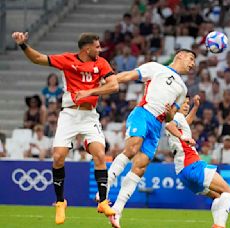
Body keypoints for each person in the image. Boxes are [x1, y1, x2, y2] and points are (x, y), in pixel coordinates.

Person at [75, 49, 196, 228]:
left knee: (140, 167)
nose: (193, 64)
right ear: (180, 56)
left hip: (157, 125)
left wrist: (171, 114)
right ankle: (105, 187)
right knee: (132, 149)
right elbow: (130, 75)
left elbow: (171, 117)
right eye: (191, 58)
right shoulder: (156, 68)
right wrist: (108, 81)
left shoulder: (183, 89)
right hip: (143, 113)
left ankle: (117, 210)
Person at [11, 31, 117, 224]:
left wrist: (90, 92)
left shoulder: (101, 63)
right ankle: (60, 202)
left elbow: (114, 85)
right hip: (69, 114)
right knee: (59, 156)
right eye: (97, 46)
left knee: (100, 155)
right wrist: (23, 45)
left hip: (90, 116)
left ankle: (103, 201)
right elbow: (37, 59)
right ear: (87, 48)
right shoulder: (67, 60)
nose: (100, 49)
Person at [165, 95, 230, 228]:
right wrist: (183, 138)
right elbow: (170, 126)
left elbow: (185, 122)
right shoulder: (176, 119)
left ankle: (218, 225)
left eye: (187, 103)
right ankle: (219, 226)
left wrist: (196, 107)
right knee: (228, 191)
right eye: (183, 103)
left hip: (182, 173)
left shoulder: (179, 120)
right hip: (192, 165)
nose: (186, 105)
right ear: (176, 106)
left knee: (217, 197)